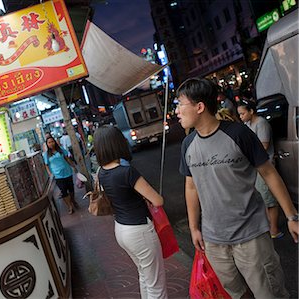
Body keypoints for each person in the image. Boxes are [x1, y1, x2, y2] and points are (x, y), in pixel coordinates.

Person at [175, 77, 298, 298]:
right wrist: (194, 228)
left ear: (200, 107)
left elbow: (269, 173)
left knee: (269, 292)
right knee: (236, 294)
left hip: (252, 236)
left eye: (180, 104)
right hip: (214, 241)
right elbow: (191, 187)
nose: (176, 111)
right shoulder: (188, 144)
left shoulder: (238, 134)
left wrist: (291, 217)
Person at [94, 125, 167, 299]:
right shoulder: (127, 172)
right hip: (139, 230)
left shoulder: (101, 172)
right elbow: (158, 200)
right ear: (118, 143)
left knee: (144, 275)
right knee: (156, 283)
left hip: (121, 229)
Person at [237, 99, 283, 238]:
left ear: (251, 111)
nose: (241, 117)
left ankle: (274, 229)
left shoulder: (261, 124)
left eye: (243, 113)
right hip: (254, 167)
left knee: (268, 199)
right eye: (239, 114)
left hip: (264, 167)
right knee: (262, 199)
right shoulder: (248, 124)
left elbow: (264, 146)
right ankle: (270, 228)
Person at [43, 136, 78, 214]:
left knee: (71, 189)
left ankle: (73, 200)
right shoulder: (46, 154)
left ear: (55, 142)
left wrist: (73, 166)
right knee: (63, 191)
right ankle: (69, 206)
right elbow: (46, 165)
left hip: (67, 172)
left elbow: (67, 158)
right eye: (49, 142)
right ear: (47, 144)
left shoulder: (61, 150)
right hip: (57, 175)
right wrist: (50, 173)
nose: (51, 144)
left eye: (52, 142)